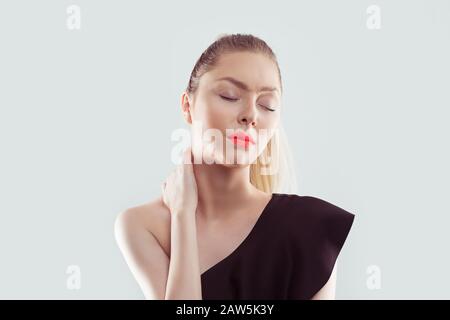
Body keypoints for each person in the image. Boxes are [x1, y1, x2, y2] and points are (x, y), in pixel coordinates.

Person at [114, 33, 355, 300]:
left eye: (267, 105)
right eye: (229, 96)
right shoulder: (143, 226)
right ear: (187, 105)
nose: (250, 115)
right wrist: (183, 215)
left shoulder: (311, 228)